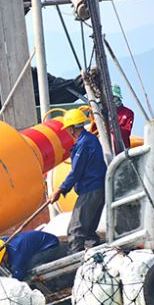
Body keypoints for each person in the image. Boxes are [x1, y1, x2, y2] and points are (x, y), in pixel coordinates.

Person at [49, 108, 107, 253]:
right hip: (98, 188)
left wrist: (60, 190)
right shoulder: (91, 139)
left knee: (76, 230)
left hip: (90, 189)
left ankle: (76, 264)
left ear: (71, 129)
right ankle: (94, 259)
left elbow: (76, 172)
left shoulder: (84, 143)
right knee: (88, 233)